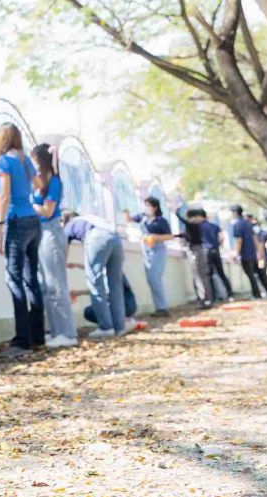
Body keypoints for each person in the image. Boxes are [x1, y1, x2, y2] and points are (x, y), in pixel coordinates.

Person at [0, 123, 45, 355]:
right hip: (33, 221)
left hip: (16, 222)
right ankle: (37, 336)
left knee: (13, 279)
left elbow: (3, 196)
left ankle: (22, 341)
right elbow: (39, 185)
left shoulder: (5, 161)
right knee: (31, 278)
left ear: (2, 139)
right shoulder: (25, 161)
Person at [31, 143, 78, 348]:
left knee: (56, 284)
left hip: (50, 232)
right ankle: (57, 331)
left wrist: (30, 205)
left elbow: (48, 211)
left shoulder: (55, 183)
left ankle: (67, 333)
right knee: (46, 285)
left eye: (34, 159)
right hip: (40, 233)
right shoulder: (40, 183)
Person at [62, 209, 125, 340]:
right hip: (115, 237)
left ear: (65, 219)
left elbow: (64, 248)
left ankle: (106, 327)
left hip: (97, 237)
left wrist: (62, 267)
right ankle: (119, 326)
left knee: (95, 282)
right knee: (115, 284)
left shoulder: (70, 224)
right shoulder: (90, 217)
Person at [133, 197, 175, 316]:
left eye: (148, 205)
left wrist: (155, 237)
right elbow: (129, 219)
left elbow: (169, 236)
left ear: (155, 207)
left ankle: (162, 308)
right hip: (146, 251)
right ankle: (160, 307)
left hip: (157, 250)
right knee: (151, 280)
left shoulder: (161, 221)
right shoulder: (142, 218)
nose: (146, 208)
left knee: (155, 279)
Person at [230, 205, 267, 300]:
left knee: (251, 275)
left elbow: (239, 240)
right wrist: (259, 252)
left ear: (235, 213)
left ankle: (257, 294)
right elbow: (255, 238)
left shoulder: (237, 224)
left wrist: (236, 253)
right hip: (253, 253)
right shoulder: (248, 223)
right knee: (260, 273)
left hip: (245, 254)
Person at [198, 212, 231, 302]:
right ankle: (229, 293)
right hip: (215, 250)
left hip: (206, 252)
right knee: (221, 273)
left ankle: (213, 297)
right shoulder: (214, 226)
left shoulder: (198, 226)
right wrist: (217, 244)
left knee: (209, 274)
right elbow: (221, 238)